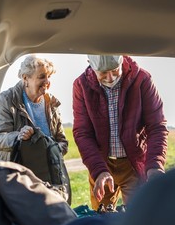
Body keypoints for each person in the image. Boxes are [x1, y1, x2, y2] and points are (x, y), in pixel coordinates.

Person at [72, 55, 168, 210]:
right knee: (101, 216)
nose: (110, 78)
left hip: (132, 163)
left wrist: (155, 166)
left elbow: (156, 126)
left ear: (122, 61)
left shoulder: (142, 79)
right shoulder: (81, 85)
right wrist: (99, 171)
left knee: (138, 215)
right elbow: (83, 133)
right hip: (102, 163)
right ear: (90, 65)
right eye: (103, 73)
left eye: (115, 70)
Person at [0, 54, 68, 162]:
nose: (47, 82)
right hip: (21, 174)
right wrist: (19, 136)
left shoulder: (51, 103)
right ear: (25, 78)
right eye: (42, 77)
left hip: (50, 173)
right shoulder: (7, 100)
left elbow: (63, 143)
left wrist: (52, 151)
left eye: (49, 77)